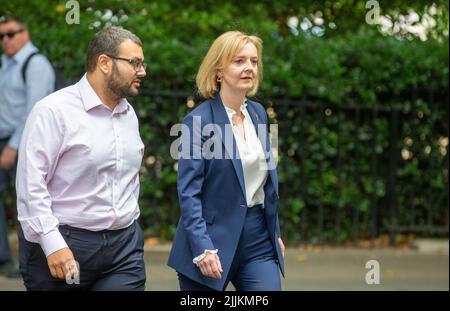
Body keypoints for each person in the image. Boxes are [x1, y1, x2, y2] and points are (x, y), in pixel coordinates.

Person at [16, 26, 147, 290]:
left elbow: (128, 179)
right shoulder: (53, 111)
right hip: (65, 244)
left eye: (142, 63)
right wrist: (52, 243)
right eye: (135, 63)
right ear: (104, 63)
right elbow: (31, 183)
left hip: (124, 250)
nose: (142, 71)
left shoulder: (128, 113)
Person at [168, 30, 285, 291]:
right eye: (239, 61)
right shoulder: (196, 122)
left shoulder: (258, 114)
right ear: (219, 71)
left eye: (254, 61)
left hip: (257, 241)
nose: (249, 68)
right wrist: (202, 247)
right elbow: (189, 193)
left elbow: (266, 182)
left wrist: (273, 232)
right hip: (210, 240)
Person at [0, 16, 55, 278]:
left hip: (23, 143)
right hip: (5, 139)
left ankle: (32, 263)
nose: (5, 40)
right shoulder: (6, 64)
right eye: (1, 36)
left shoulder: (36, 64)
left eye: (10, 34)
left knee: (30, 202)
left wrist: (13, 147)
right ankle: (4, 258)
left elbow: (36, 112)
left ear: (25, 32)